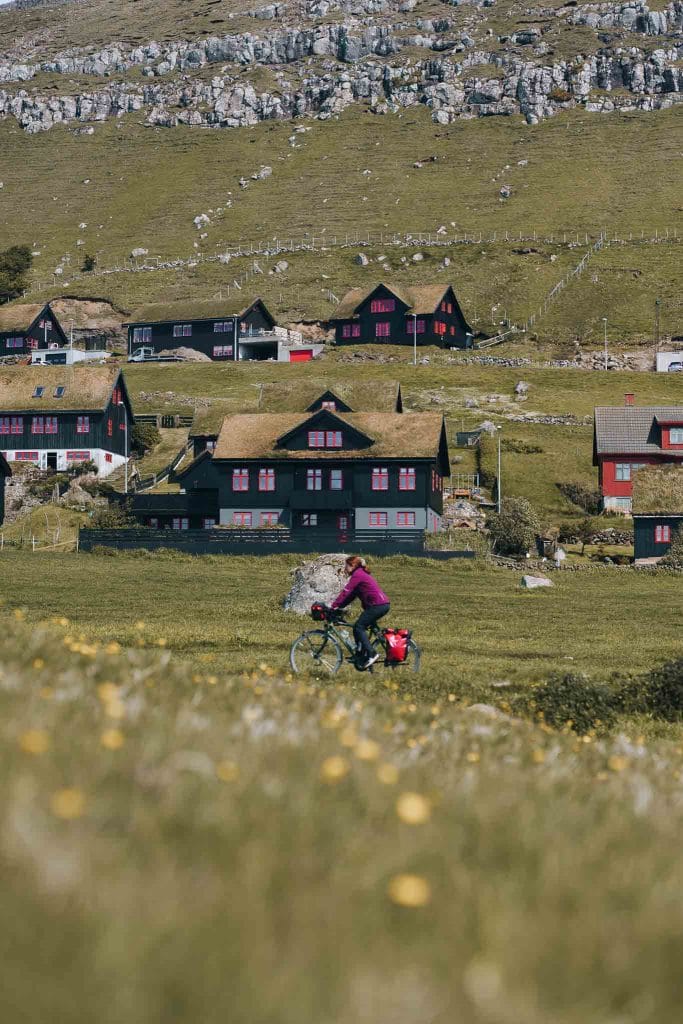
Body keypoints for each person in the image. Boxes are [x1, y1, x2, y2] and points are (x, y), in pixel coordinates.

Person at [330, 555, 390, 669]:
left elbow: (346, 592)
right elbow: (350, 596)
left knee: (359, 627)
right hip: (380, 605)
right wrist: (338, 607)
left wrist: (333, 606)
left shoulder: (358, 575)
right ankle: (360, 654)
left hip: (378, 606)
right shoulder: (360, 573)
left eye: (346, 566)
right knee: (358, 627)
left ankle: (372, 654)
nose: (345, 568)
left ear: (352, 565)